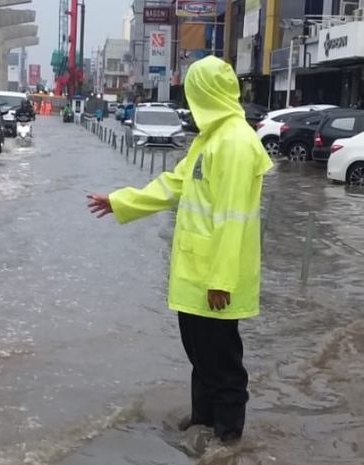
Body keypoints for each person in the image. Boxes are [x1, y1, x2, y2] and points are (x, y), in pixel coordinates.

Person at [87, 56, 273, 442]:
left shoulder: (236, 143)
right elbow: (173, 184)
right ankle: (202, 420)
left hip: (214, 281)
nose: (189, 100)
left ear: (206, 92)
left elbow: (233, 220)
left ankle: (228, 438)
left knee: (223, 363)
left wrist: (221, 280)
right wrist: (121, 201)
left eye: (193, 91)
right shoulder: (209, 138)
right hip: (194, 277)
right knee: (200, 356)